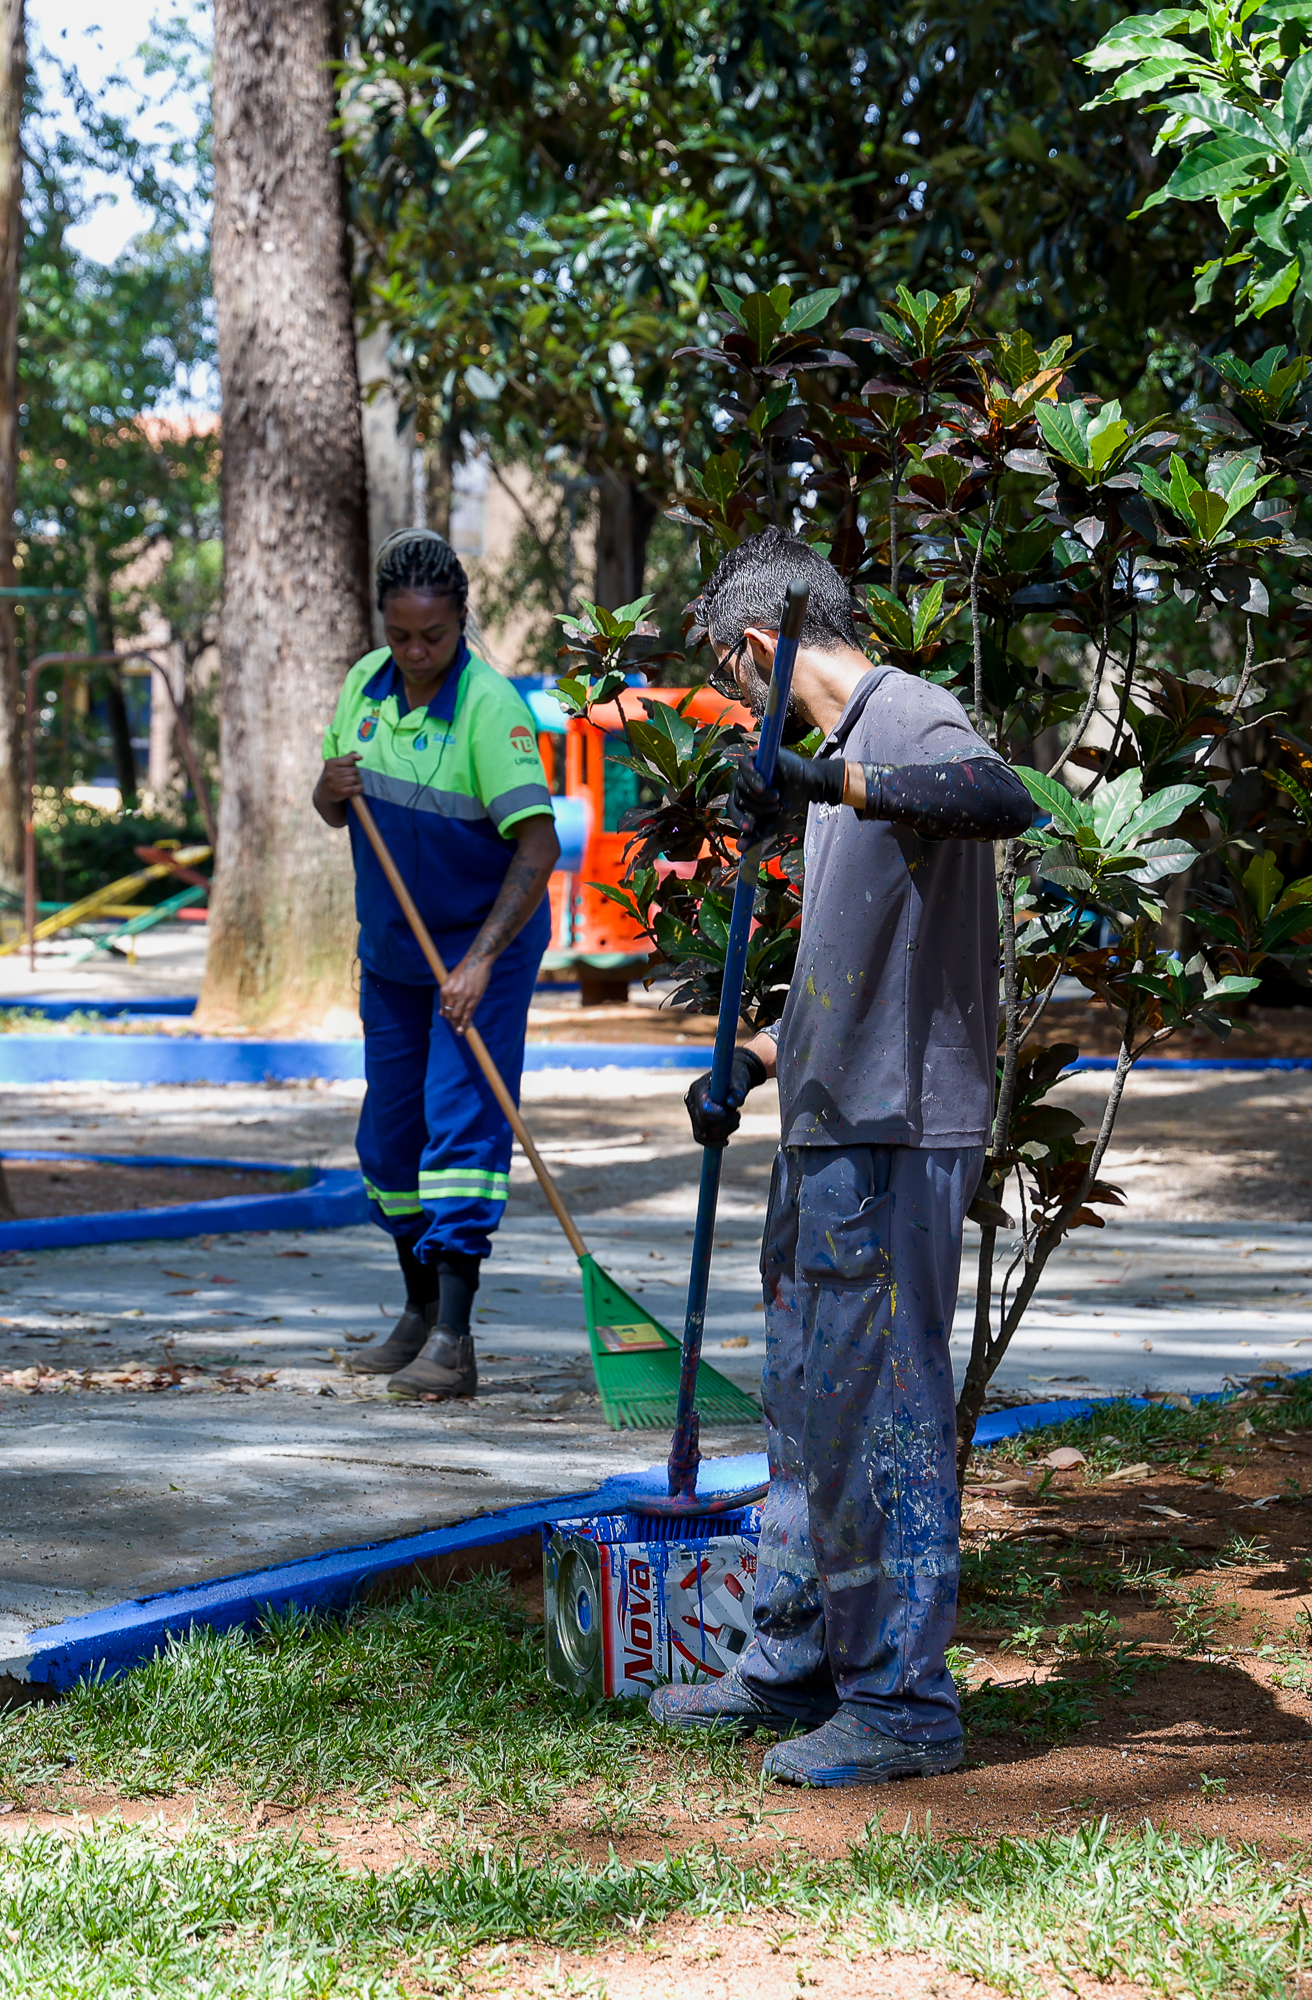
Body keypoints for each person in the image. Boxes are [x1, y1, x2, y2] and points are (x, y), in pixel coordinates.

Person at [644, 530, 1037, 1787]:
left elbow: (1004, 798)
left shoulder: (908, 719)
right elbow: (848, 974)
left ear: (757, 652)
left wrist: (830, 784)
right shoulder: (848, 756)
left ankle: (904, 1707)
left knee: (883, 1419)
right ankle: (792, 1664)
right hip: (826, 1130)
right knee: (809, 1419)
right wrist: (748, 1063)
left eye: (729, 681)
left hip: (892, 1135)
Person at [312, 529, 560, 1400]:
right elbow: (335, 808)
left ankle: (454, 1341)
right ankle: (416, 1312)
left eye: (434, 638)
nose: (416, 654)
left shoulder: (493, 709)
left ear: (462, 623)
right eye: (401, 636)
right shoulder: (363, 687)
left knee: (460, 1133)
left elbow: (538, 844)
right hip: (392, 955)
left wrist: (480, 962)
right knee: (389, 1140)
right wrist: (329, 791)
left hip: (477, 948)